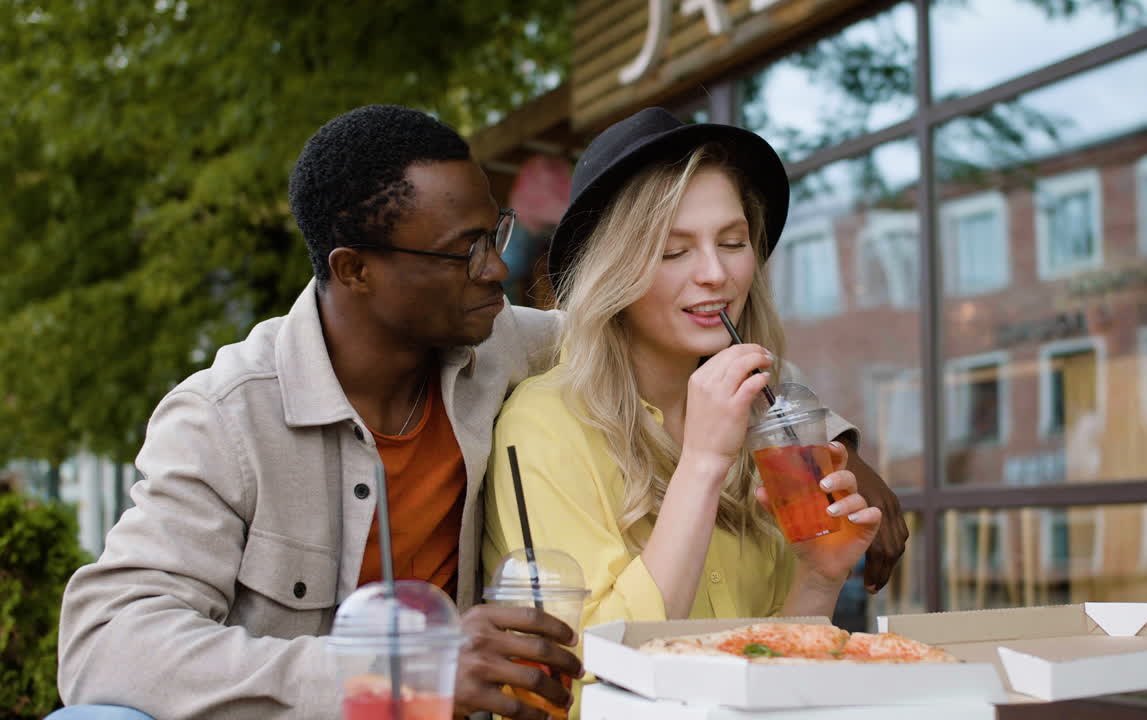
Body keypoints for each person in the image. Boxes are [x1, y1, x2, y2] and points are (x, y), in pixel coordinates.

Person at [53, 105, 583, 720]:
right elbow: (105, 644)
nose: (494, 268)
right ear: (354, 269)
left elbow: (628, 337)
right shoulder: (226, 418)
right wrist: (396, 678)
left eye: (495, 234)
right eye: (462, 251)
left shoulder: (509, 347)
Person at [482, 108, 896, 706]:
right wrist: (701, 463)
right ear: (614, 269)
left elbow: (767, 675)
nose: (715, 273)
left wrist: (818, 577)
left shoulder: (764, 423)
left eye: (733, 243)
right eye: (674, 251)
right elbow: (580, 685)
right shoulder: (543, 424)